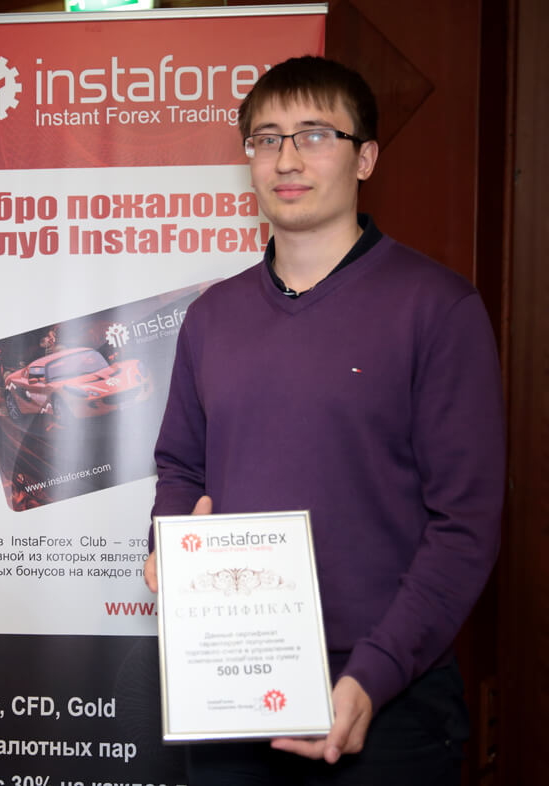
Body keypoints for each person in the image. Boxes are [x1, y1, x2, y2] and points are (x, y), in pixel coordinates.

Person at [144, 56, 504, 784]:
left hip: (387, 693)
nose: (286, 159)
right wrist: (171, 544)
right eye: (265, 138)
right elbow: (181, 466)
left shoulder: (437, 308)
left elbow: (465, 524)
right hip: (232, 681)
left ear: (364, 157)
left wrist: (375, 672)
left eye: (314, 134)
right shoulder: (212, 316)